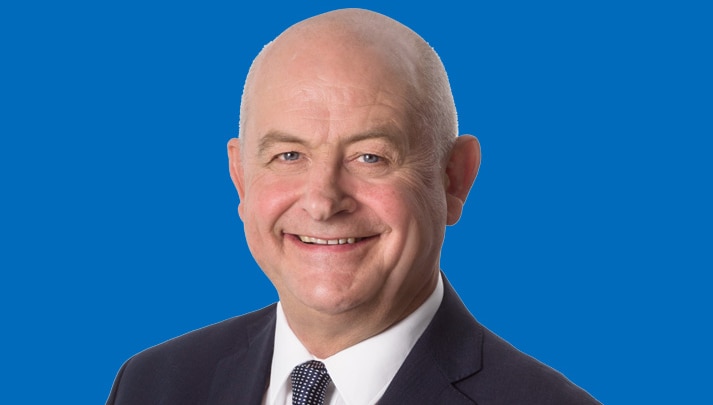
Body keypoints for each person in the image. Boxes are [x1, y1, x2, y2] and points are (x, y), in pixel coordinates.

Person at [106, 8, 600, 405]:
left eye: (371, 157)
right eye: (289, 155)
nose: (322, 201)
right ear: (241, 177)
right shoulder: (152, 384)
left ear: (454, 179)